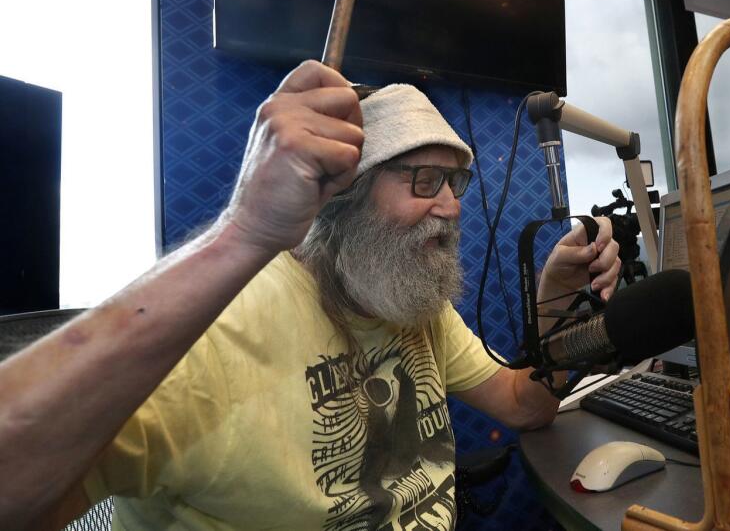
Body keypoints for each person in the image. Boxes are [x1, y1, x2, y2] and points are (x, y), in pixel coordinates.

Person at [0, 61, 620, 530]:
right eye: (424, 180)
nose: (453, 207)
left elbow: (523, 405)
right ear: (345, 199)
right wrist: (244, 231)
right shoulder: (219, 330)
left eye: (455, 181)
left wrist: (556, 300)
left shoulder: (415, 308)